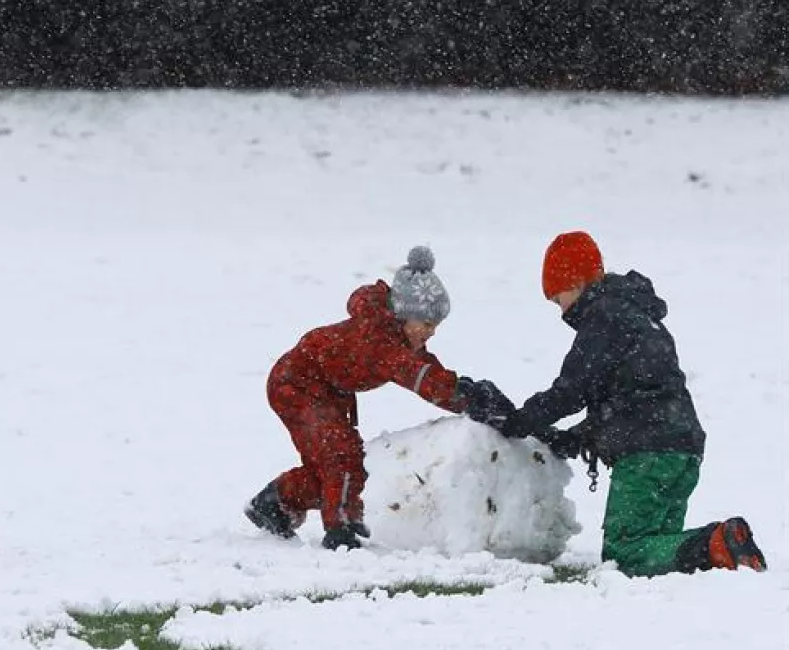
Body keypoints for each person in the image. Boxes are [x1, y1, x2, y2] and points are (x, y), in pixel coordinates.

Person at [497, 231, 766, 575]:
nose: (559, 309)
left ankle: (717, 542)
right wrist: (577, 437)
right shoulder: (636, 315)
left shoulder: (603, 317)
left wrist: (520, 420)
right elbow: (633, 397)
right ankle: (726, 550)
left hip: (648, 460)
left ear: (576, 282)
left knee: (625, 553)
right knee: (663, 553)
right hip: (682, 452)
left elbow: (571, 391)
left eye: (557, 297)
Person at [245, 246, 510, 550]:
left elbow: (426, 369)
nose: (432, 332)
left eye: (436, 326)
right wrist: (466, 398)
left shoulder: (395, 336)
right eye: (427, 324)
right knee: (341, 455)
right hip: (295, 385)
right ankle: (341, 530)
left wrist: (466, 387)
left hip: (322, 390)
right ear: (405, 315)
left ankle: (276, 501)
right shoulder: (382, 343)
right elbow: (421, 378)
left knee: (337, 471)